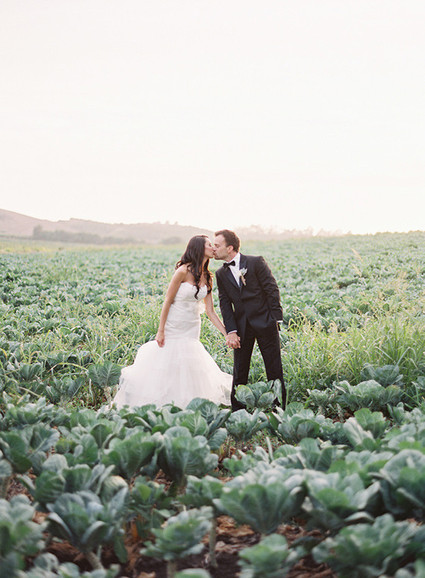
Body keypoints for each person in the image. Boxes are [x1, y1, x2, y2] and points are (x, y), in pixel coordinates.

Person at [113, 235, 232, 409]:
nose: (213, 248)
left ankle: (189, 402)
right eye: (209, 245)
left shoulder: (207, 276)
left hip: (192, 325)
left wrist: (227, 333)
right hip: (175, 323)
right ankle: (165, 401)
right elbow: (168, 301)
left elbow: (210, 311)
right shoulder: (182, 271)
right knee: (169, 358)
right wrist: (161, 330)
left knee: (190, 361)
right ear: (199, 248)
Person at [213, 229, 286, 411]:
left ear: (230, 248)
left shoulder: (255, 262)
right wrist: (231, 331)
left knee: (274, 368)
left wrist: (275, 319)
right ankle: (237, 411)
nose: (214, 249)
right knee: (239, 370)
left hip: (265, 322)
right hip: (241, 327)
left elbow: (271, 289)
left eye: (217, 245)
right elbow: (225, 304)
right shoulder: (220, 274)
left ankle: (279, 409)